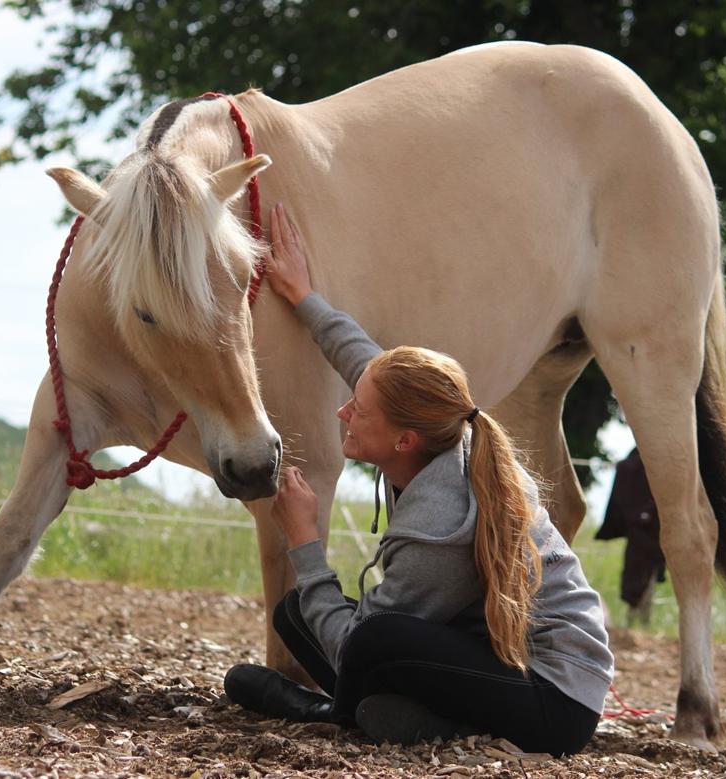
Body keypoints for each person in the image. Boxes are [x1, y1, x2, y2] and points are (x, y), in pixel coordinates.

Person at [223, 204, 613, 755]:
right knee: (296, 612)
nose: (343, 414)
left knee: (373, 634)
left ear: (403, 440)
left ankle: (339, 714)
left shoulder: (440, 522)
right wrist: (303, 296)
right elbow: (360, 357)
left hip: (552, 698)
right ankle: (388, 716)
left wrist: (305, 542)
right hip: (489, 656)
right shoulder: (433, 427)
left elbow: (359, 645)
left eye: (357, 411)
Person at [595, 448, 667, 627]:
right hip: (640, 532)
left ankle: (641, 622)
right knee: (635, 576)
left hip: (650, 532)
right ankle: (634, 622)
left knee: (647, 577)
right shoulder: (632, 466)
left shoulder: (645, 464)